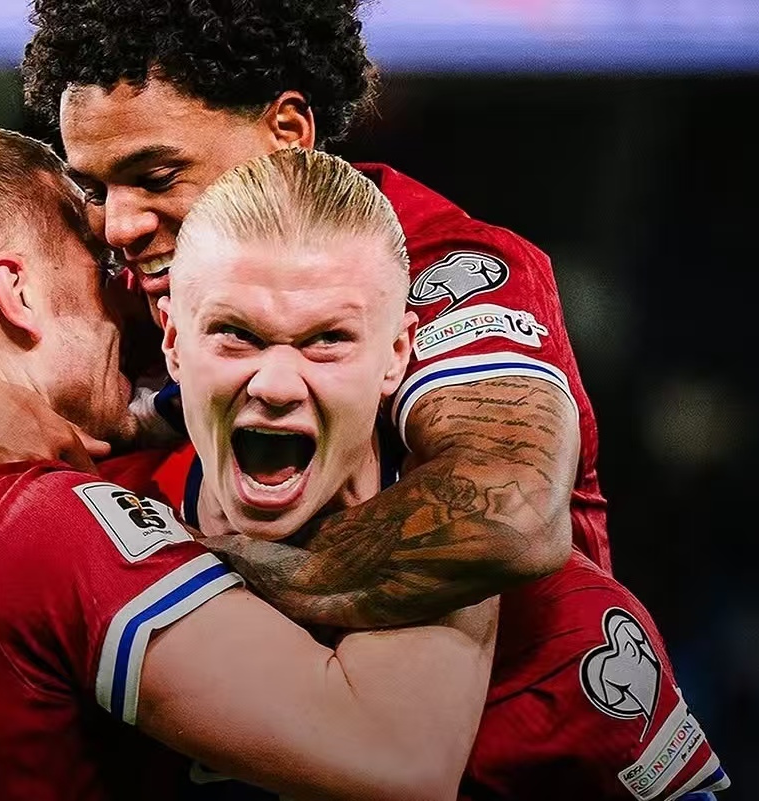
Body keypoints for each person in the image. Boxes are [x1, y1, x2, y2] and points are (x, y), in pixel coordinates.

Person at [0, 1, 728, 797]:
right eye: (95, 187)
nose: (119, 225)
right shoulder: (149, 303)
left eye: (155, 173)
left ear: (287, 132)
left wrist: (171, 566)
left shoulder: (434, 269)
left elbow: (504, 516)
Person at [0, 126, 496, 801]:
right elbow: (398, 759)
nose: (129, 302)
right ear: (16, 292)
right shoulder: (35, 521)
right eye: (100, 270)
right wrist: (446, 461)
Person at [154, 147, 729, 800]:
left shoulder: (565, 632)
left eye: (328, 340)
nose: (277, 384)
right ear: (172, 341)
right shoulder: (91, 525)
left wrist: (208, 567)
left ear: (397, 354)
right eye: (235, 333)